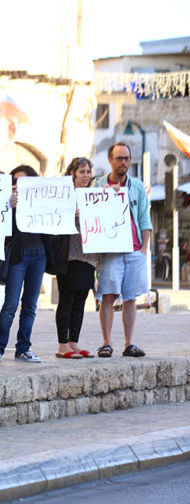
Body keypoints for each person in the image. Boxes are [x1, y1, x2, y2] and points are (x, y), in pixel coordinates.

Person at [0, 165, 51, 364]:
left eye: (22, 182)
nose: (17, 186)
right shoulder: (7, 203)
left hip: (39, 255)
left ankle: (23, 348)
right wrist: (10, 207)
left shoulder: (40, 201)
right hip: (18, 255)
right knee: (11, 304)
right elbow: (2, 227)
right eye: (14, 181)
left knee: (30, 305)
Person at [94, 142, 151, 358]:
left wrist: (144, 248)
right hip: (110, 251)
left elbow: (145, 218)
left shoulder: (136, 186)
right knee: (108, 296)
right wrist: (106, 194)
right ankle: (107, 343)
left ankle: (129, 343)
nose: (124, 162)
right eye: (119, 158)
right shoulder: (99, 185)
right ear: (110, 160)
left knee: (130, 298)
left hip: (134, 249)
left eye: (127, 158)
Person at [52, 157, 98, 359]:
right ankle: (62, 345)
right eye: (81, 172)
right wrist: (73, 217)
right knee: (67, 299)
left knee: (81, 301)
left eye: (88, 171)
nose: (86, 175)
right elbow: (55, 219)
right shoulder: (65, 196)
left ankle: (74, 342)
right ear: (73, 174)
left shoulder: (96, 195)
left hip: (89, 256)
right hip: (69, 255)